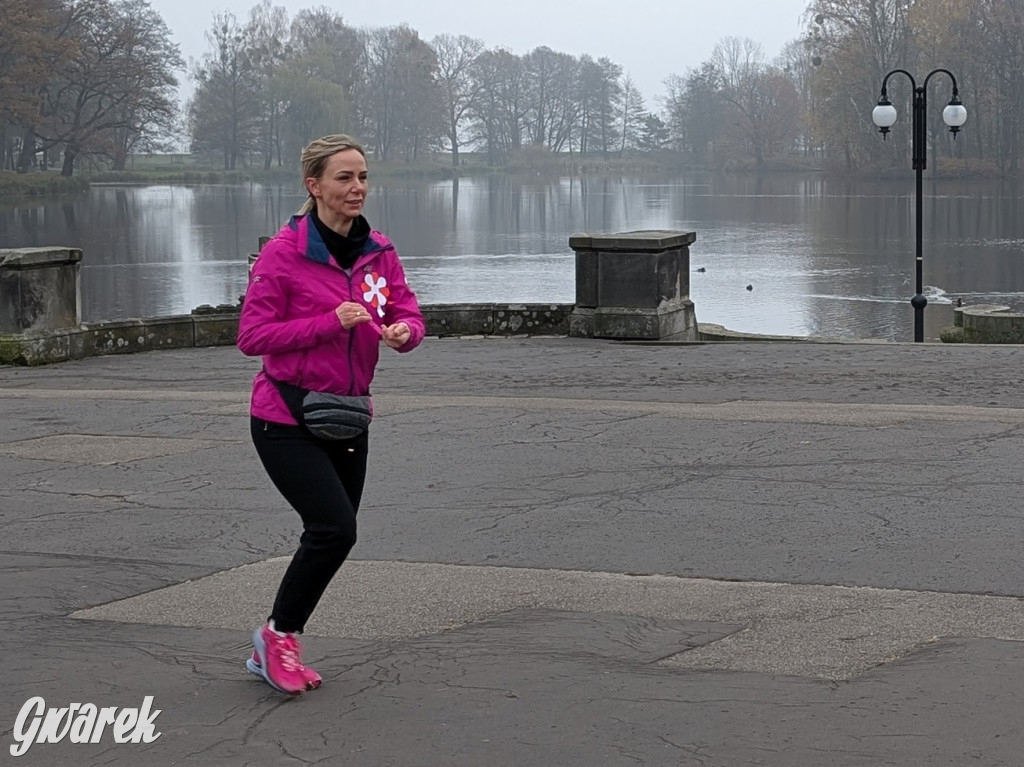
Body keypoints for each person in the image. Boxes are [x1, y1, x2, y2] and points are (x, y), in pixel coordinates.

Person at [236, 134, 425, 695]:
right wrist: (329, 322)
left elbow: (408, 311)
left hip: (346, 414)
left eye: (363, 176)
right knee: (332, 527)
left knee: (336, 536)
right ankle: (278, 639)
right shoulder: (283, 254)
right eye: (344, 178)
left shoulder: (379, 252)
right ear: (313, 186)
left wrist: (402, 332)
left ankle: (274, 640)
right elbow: (252, 336)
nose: (357, 188)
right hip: (283, 417)